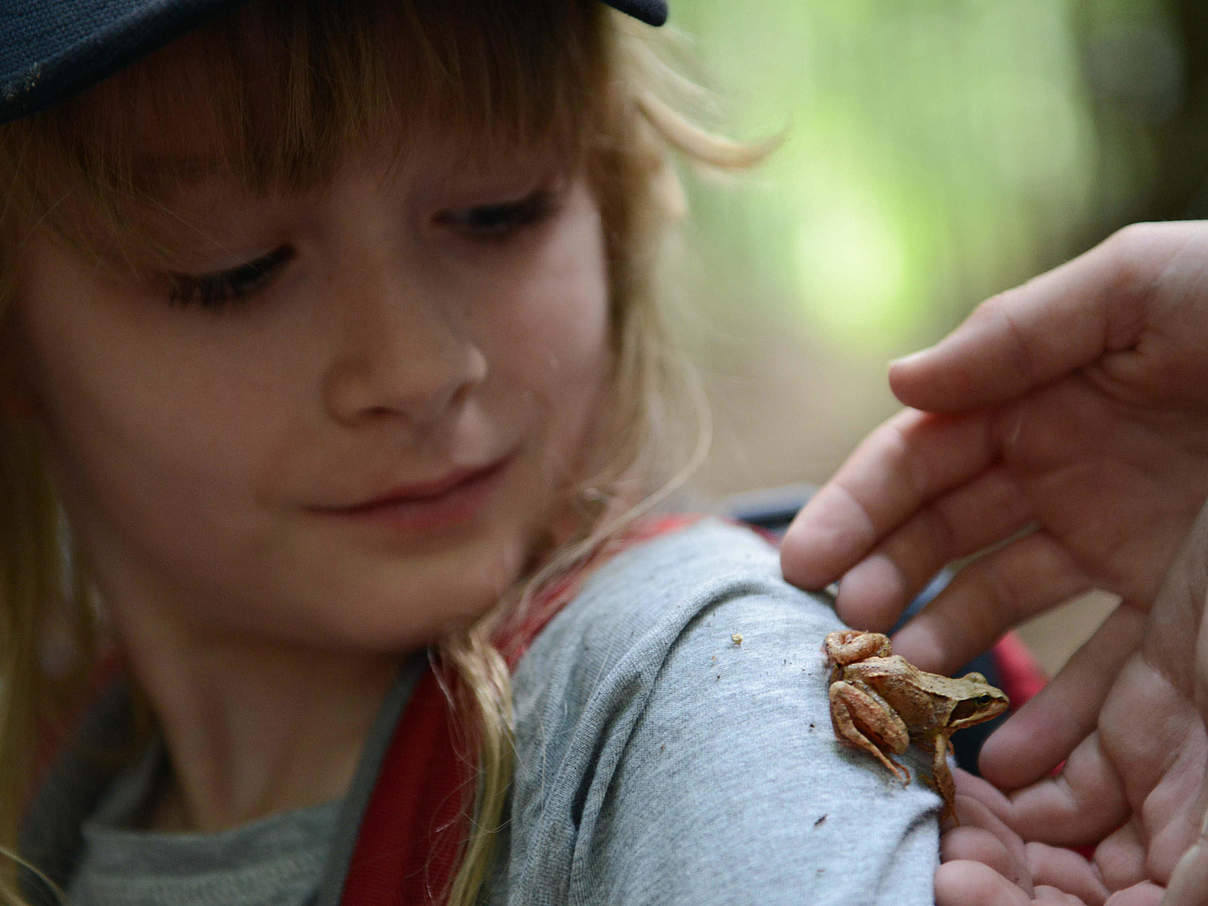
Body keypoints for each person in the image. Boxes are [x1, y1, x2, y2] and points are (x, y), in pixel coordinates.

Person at [0, 2, 944, 905]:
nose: (419, 368)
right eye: (231, 272)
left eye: (501, 209)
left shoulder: (685, 699)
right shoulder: (56, 792)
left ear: (608, 196)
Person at [779, 220, 1208, 902]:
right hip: (884, 689)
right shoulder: (944, 728)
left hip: (873, 666)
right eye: (982, 702)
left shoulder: (948, 720)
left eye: (979, 702)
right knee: (893, 733)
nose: (988, 705)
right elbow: (940, 772)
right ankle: (864, 736)